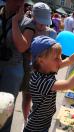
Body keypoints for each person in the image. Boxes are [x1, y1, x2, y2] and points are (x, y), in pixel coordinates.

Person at [23, 36, 74, 131]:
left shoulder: (47, 69)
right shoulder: (40, 81)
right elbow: (68, 84)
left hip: (43, 125)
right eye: (56, 58)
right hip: (35, 129)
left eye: (60, 56)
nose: (60, 60)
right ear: (41, 60)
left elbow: (69, 60)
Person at [0, 0, 35, 131]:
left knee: (6, 108)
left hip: (12, 70)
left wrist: (15, 22)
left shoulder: (28, 22)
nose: (20, 3)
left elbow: (22, 46)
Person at [20, 2, 57, 125]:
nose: (42, 25)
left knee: (40, 101)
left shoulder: (51, 33)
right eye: (40, 21)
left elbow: (54, 54)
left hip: (44, 73)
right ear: (33, 16)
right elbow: (21, 49)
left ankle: (33, 122)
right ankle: (26, 121)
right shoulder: (27, 28)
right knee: (27, 97)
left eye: (44, 21)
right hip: (27, 70)